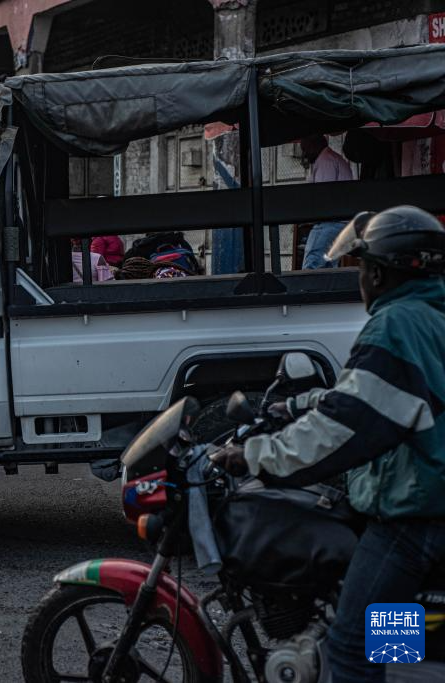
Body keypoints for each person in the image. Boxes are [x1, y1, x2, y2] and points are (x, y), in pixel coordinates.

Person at [210, 206, 445, 683]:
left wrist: (253, 456)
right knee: (388, 644)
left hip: (414, 517)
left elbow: (346, 426)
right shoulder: (427, 316)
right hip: (421, 496)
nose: (358, 279)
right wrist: (294, 407)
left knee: (350, 649)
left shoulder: (397, 325)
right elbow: (371, 395)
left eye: (360, 268)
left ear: (379, 272)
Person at [300, 134, 355, 269]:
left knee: (311, 267)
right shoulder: (333, 158)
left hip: (329, 223)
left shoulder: (325, 161)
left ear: (314, 145)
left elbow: (322, 197)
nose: (304, 154)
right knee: (328, 270)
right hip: (340, 223)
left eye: (305, 149)